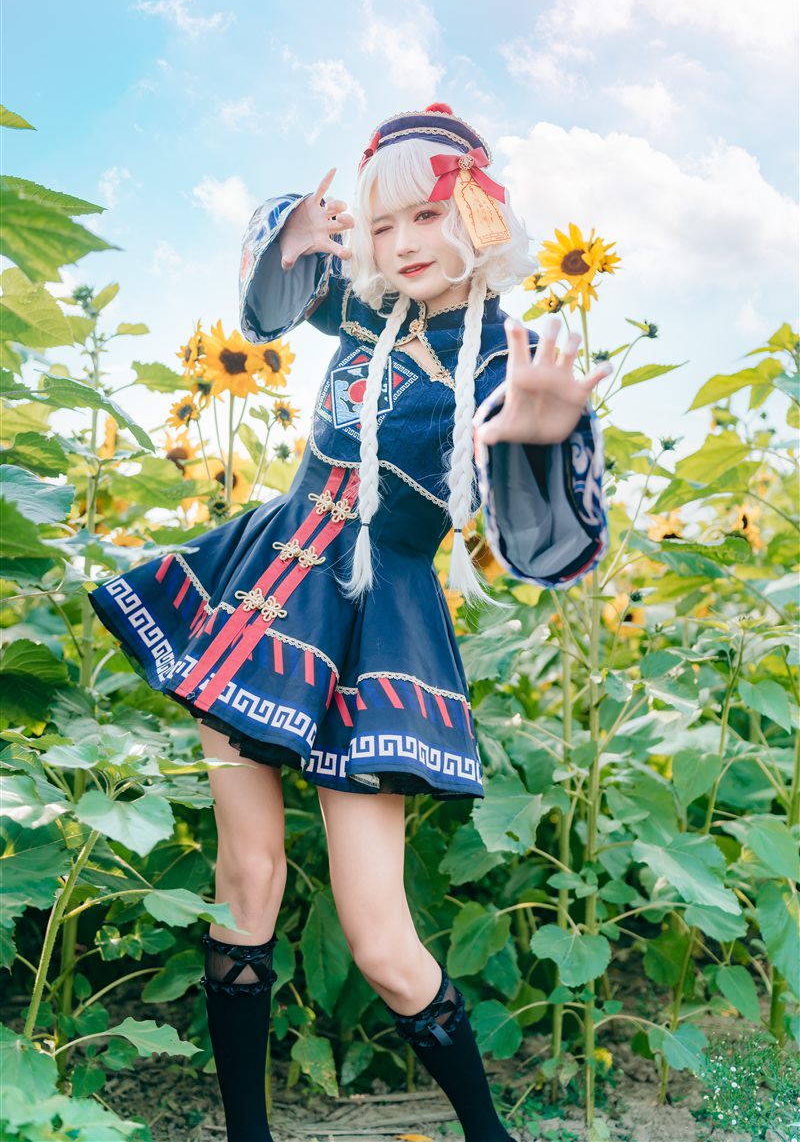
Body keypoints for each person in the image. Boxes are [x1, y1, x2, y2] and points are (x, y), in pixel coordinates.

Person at [88, 104, 610, 1142]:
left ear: (476, 212)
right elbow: (271, 301)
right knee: (245, 880)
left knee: (379, 941)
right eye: (381, 224)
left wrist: (544, 440)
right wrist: (290, 232)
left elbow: (541, 548)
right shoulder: (365, 310)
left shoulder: (500, 360)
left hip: (378, 638)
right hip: (260, 605)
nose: (402, 243)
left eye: (425, 214)